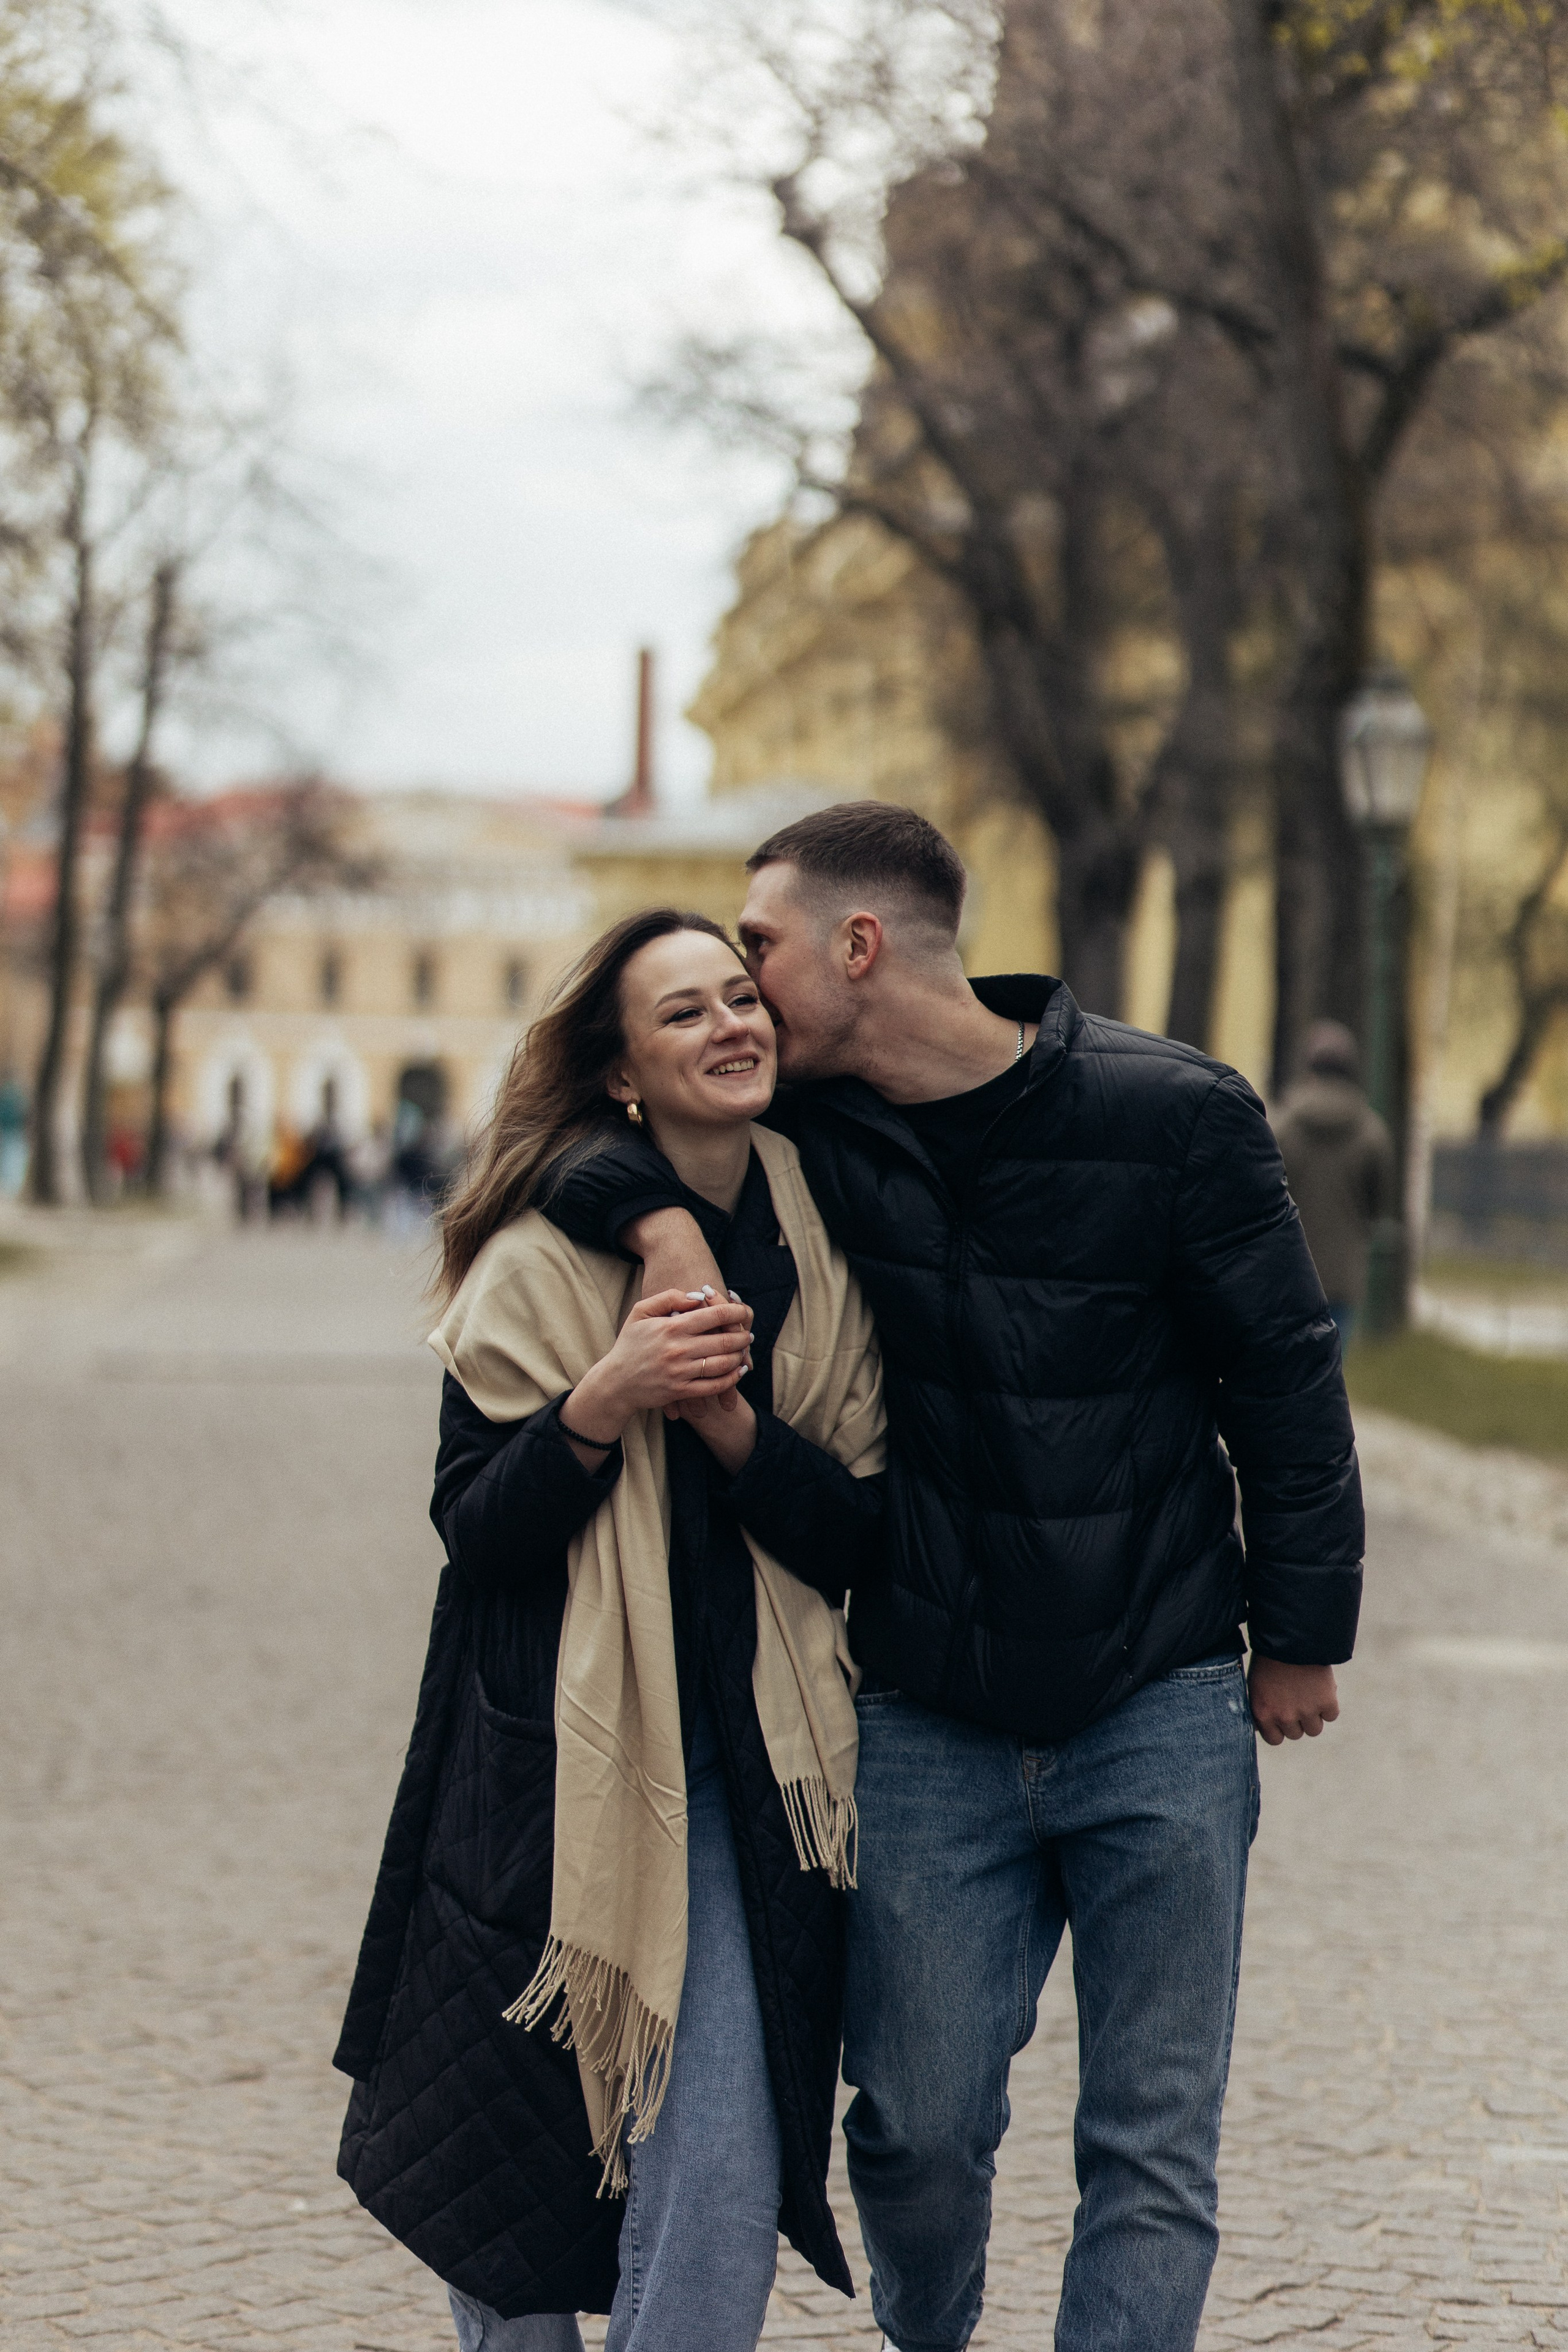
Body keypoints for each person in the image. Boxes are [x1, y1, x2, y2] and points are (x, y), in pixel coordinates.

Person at [538, 804, 1364, 2352]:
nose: (741, 984)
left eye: (760, 946)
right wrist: (654, 1220)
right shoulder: (811, 1132)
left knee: (1149, 2138)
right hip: (928, 1709)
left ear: (857, 946)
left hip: (1162, 1691)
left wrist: (1299, 1631)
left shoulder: (1174, 1113)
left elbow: (1282, 1379)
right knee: (911, 2130)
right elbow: (580, 1140)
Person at [333, 908, 886, 2352]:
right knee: (499, 2143)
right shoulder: (535, 1261)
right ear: (624, 1073)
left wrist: (727, 1425)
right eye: (682, 1012)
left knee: (721, 2167)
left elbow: (853, 1534)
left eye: (738, 998)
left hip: (749, 1763)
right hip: (549, 1756)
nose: (729, 1026)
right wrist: (607, 1396)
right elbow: (478, 1528)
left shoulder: (823, 1237)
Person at [1271, 1019, 1396, 1352]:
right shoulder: (1372, 1132)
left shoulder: (1281, 1127)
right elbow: (1378, 1205)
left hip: (1287, 1271)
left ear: (1310, 1070)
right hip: (1343, 1276)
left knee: (1288, 1366)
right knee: (1332, 1366)